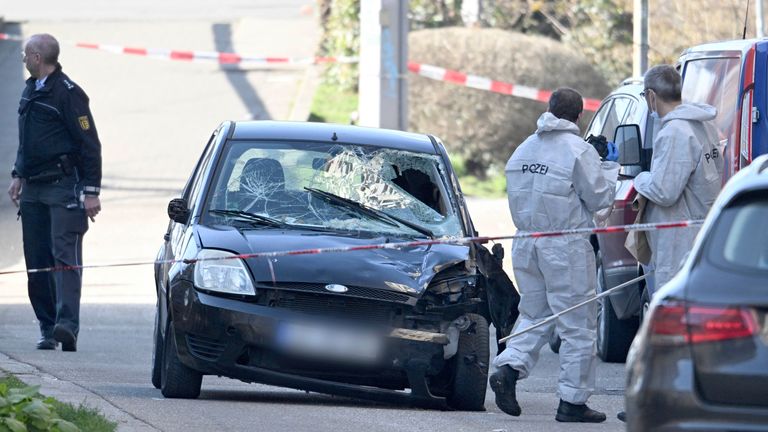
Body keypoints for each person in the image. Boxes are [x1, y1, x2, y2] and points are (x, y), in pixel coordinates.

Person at [490, 88, 619, 423]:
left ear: (549, 109)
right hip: (565, 247)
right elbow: (601, 200)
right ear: (579, 116)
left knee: (535, 313)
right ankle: (572, 403)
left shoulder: (523, 150)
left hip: (526, 243)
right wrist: (604, 164)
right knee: (577, 324)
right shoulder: (579, 151)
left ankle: (508, 368)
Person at [7, 33, 102, 352]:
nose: (23, 59)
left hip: (63, 188)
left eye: (25, 54)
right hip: (32, 189)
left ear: (37, 57)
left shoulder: (68, 94)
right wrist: (18, 174)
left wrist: (91, 192)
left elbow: (90, 145)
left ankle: (67, 325)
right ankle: (47, 327)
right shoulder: (30, 91)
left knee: (65, 258)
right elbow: (27, 142)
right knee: (37, 260)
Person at [634, 65, 721, 295]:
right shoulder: (704, 126)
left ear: (651, 96)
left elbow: (664, 192)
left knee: (675, 311)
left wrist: (640, 179)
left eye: (645, 96)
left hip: (679, 241)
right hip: (701, 231)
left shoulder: (675, 133)